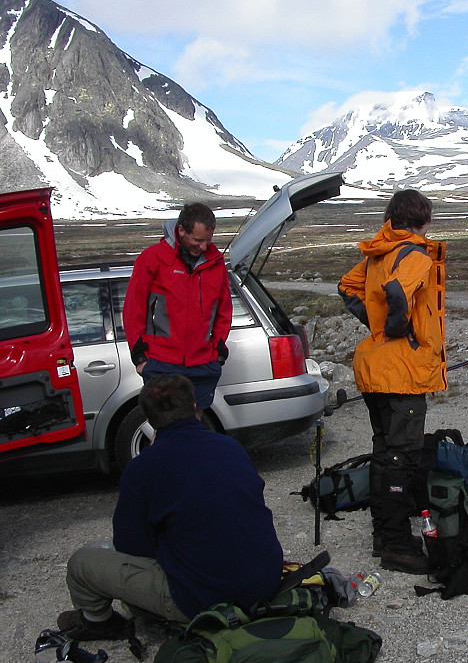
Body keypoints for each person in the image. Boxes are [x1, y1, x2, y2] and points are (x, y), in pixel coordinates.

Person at [56, 374, 283, 639]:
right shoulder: (231, 447)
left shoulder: (143, 468)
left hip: (203, 601)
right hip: (265, 584)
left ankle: (99, 622)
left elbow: (131, 547)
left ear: (149, 421)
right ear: (195, 407)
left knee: (83, 563)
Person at [339, 189, 446, 575]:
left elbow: (346, 287)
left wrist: (375, 325)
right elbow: (398, 291)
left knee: (385, 454)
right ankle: (398, 545)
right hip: (402, 371)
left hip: (374, 366)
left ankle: (384, 535)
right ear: (424, 219)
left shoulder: (379, 251)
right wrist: (398, 328)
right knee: (401, 458)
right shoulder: (415, 253)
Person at [123, 202, 232, 415]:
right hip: (161, 363)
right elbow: (133, 309)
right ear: (181, 230)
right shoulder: (153, 258)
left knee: (194, 425)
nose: (203, 247)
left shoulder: (215, 262)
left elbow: (223, 310)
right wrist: (140, 358)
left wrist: (217, 351)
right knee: (165, 427)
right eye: (198, 240)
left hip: (202, 363)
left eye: (208, 240)